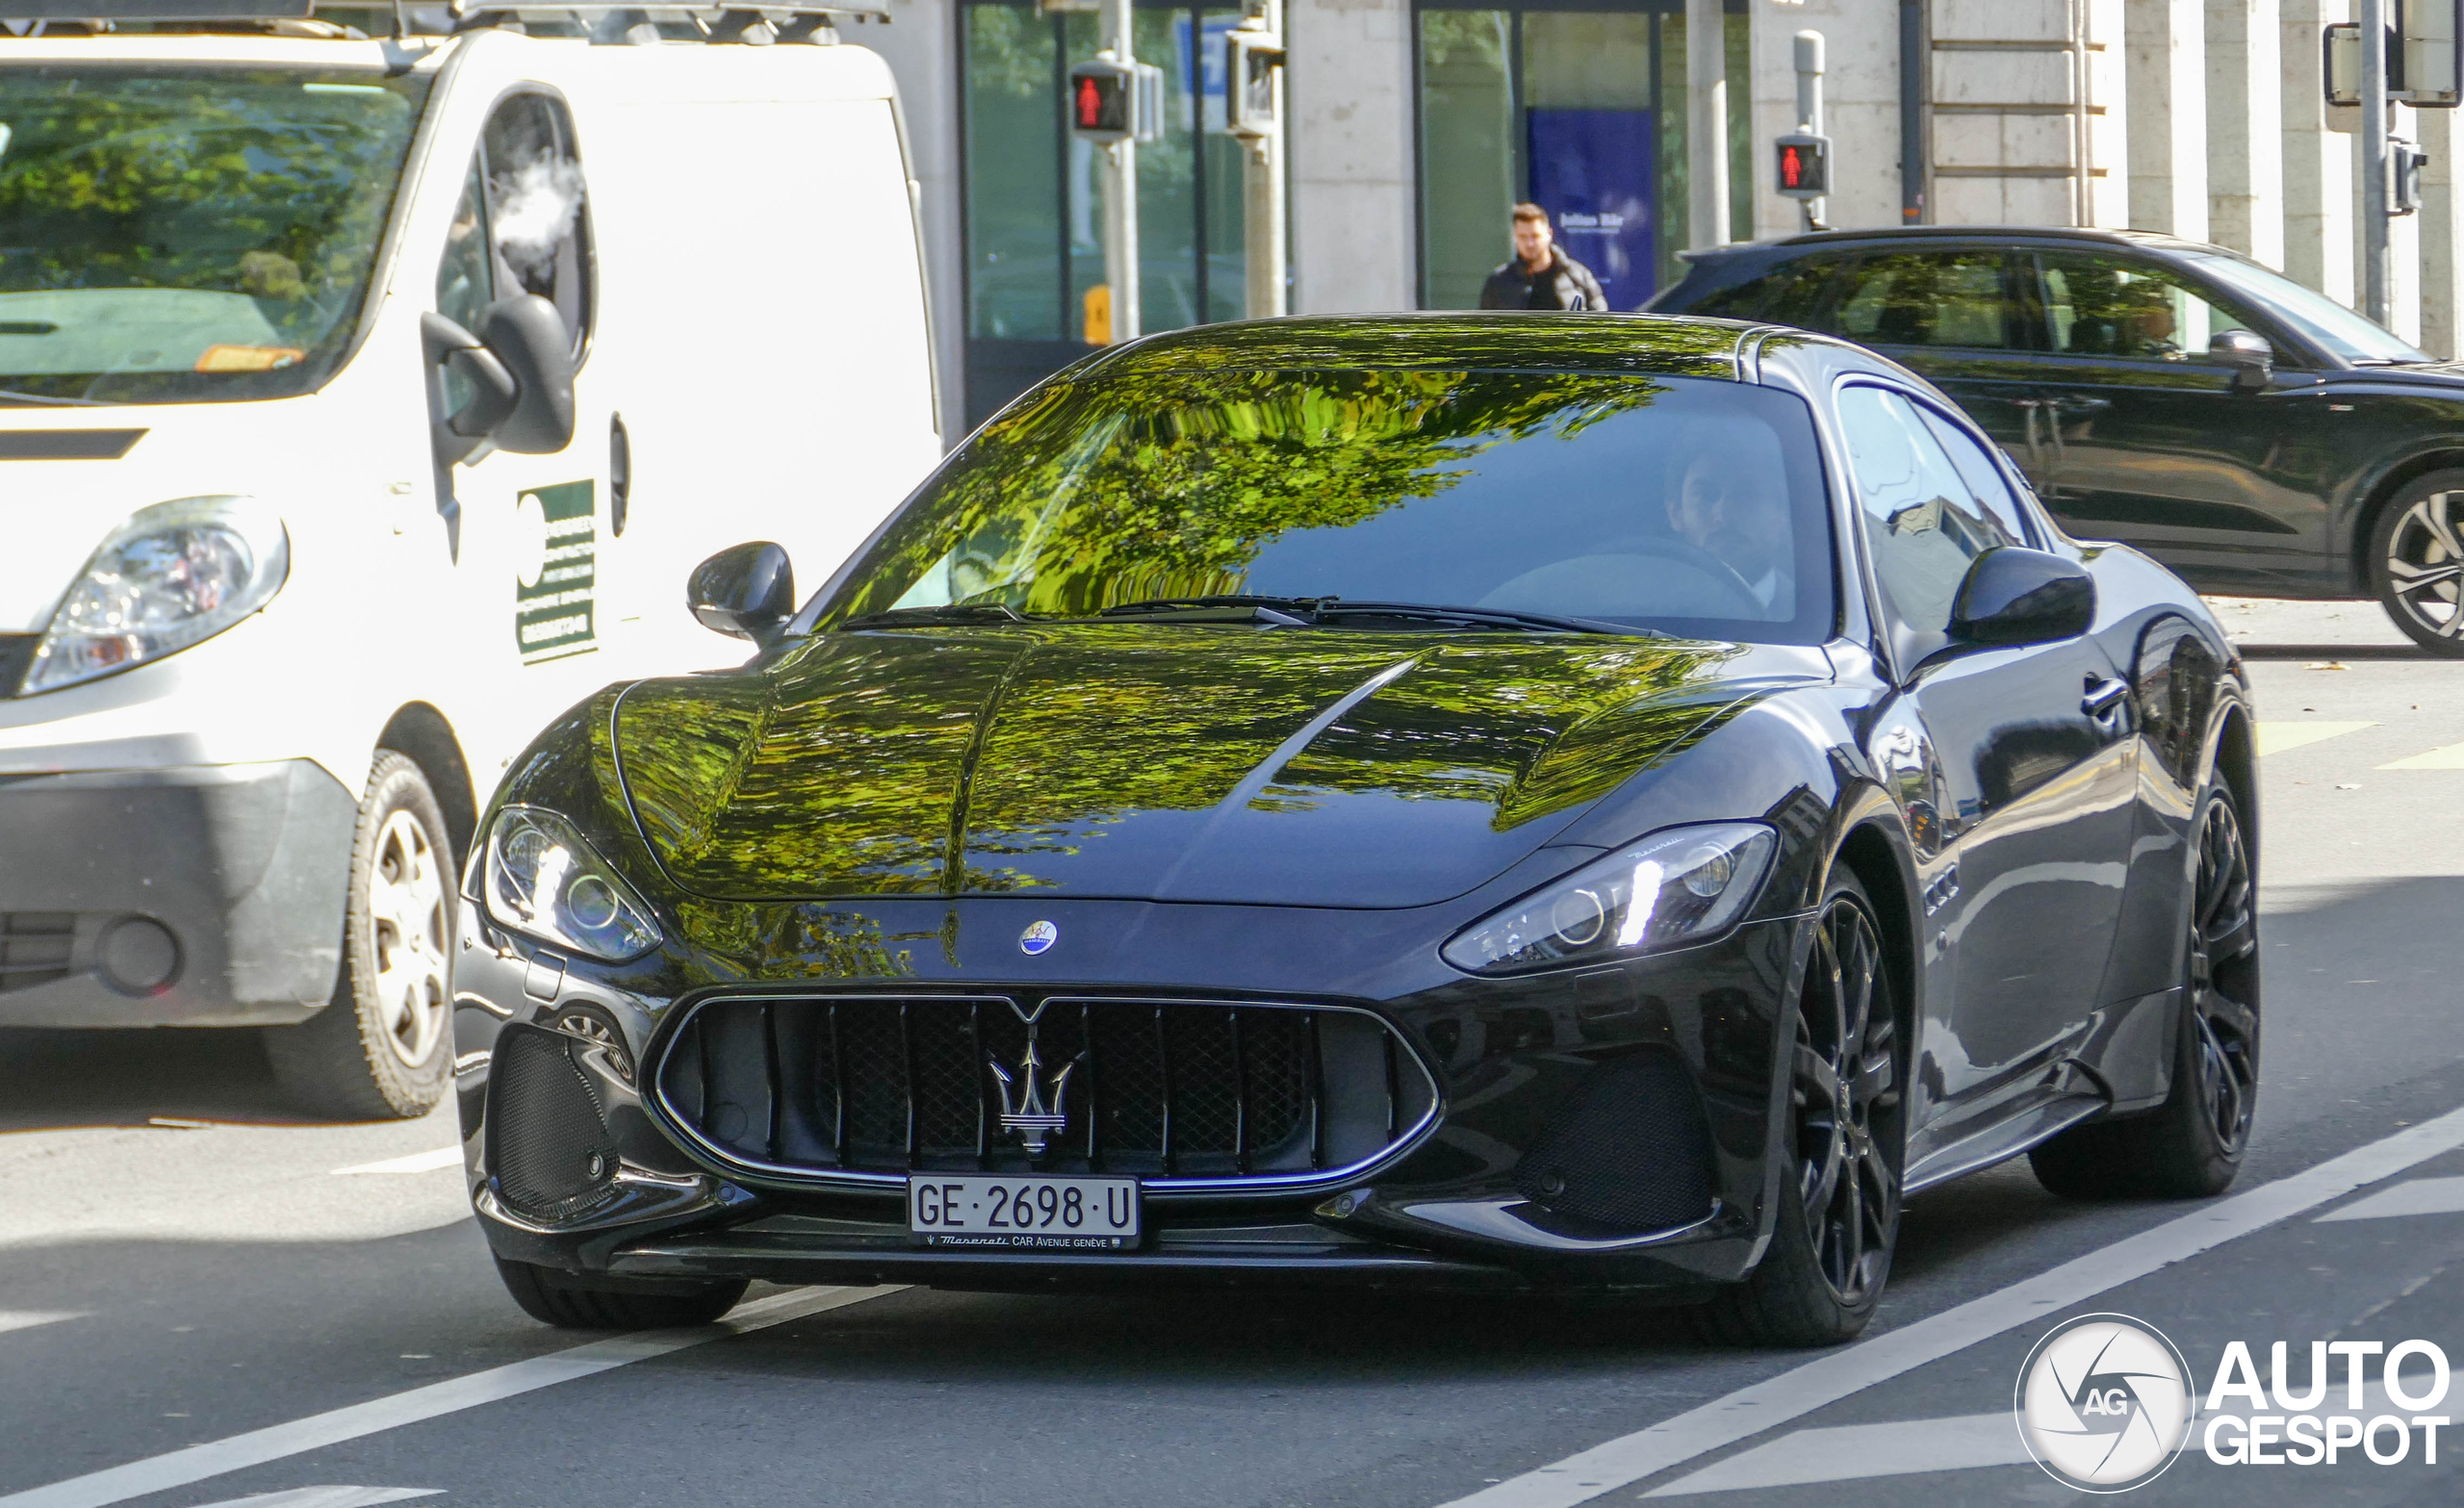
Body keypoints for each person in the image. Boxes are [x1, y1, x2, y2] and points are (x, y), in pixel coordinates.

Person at [1667, 450, 1794, 617]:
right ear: (1676, 513)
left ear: (1782, 514)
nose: (1722, 516)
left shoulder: (1820, 614)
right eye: (1704, 494)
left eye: (1746, 495)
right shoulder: (1645, 602)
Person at [1479, 203, 1607, 312]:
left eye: (1535, 236)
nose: (1530, 244)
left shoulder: (1577, 275)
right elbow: (1485, 331)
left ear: (1549, 234)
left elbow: (1602, 322)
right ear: (1514, 237)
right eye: (1523, 237)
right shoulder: (1498, 283)